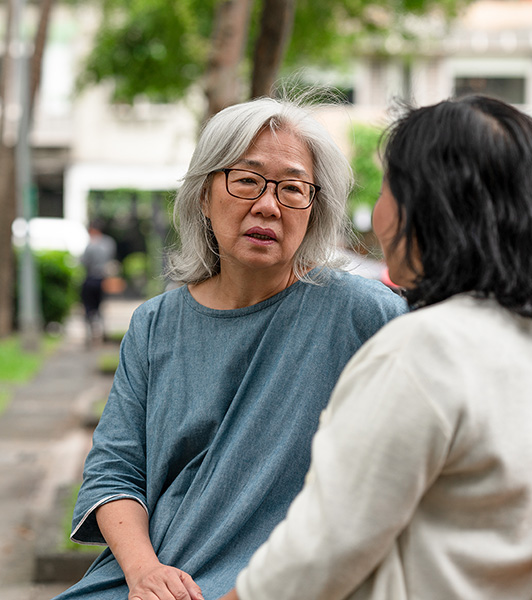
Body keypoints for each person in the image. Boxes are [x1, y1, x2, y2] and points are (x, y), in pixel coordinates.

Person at [221, 96, 532, 600]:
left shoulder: (424, 352)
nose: (379, 213)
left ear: (432, 211)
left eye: (388, 189)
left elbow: (310, 563)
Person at [53, 97, 408, 600]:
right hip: (149, 579)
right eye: (247, 180)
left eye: (292, 188)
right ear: (203, 193)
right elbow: (114, 471)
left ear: (315, 208)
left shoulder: (364, 314)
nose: (268, 204)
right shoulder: (154, 324)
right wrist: (144, 572)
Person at [80, 220, 117, 343]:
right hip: (103, 279)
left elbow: (84, 262)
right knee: (100, 306)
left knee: (89, 307)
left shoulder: (90, 245)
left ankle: (90, 334)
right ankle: (102, 331)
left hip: (90, 278)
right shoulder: (108, 243)